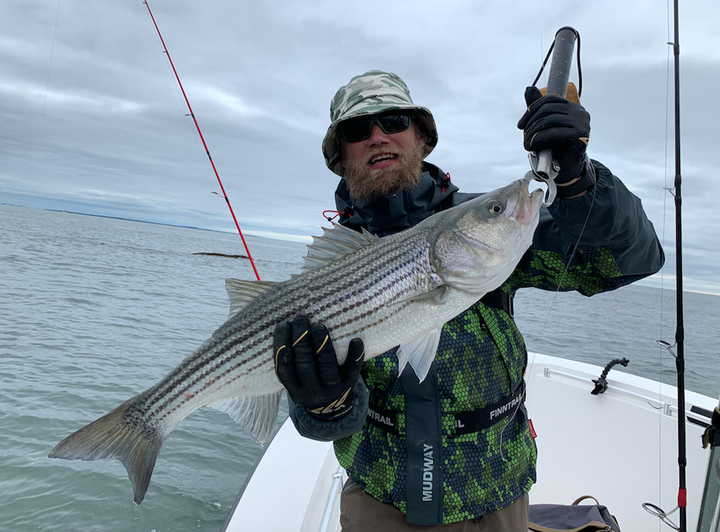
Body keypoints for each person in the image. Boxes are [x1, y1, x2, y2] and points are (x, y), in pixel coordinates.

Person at [273, 70, 664, 531]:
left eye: (395, 121)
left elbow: (630, 261)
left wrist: (581, 184)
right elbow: (324, 424)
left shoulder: (489, 230)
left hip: (496, 492)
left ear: (422, 138)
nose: (378, 137)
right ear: (340, 157)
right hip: (382, 500)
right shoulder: (329, 270)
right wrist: (325, 405)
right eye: (358, 131)